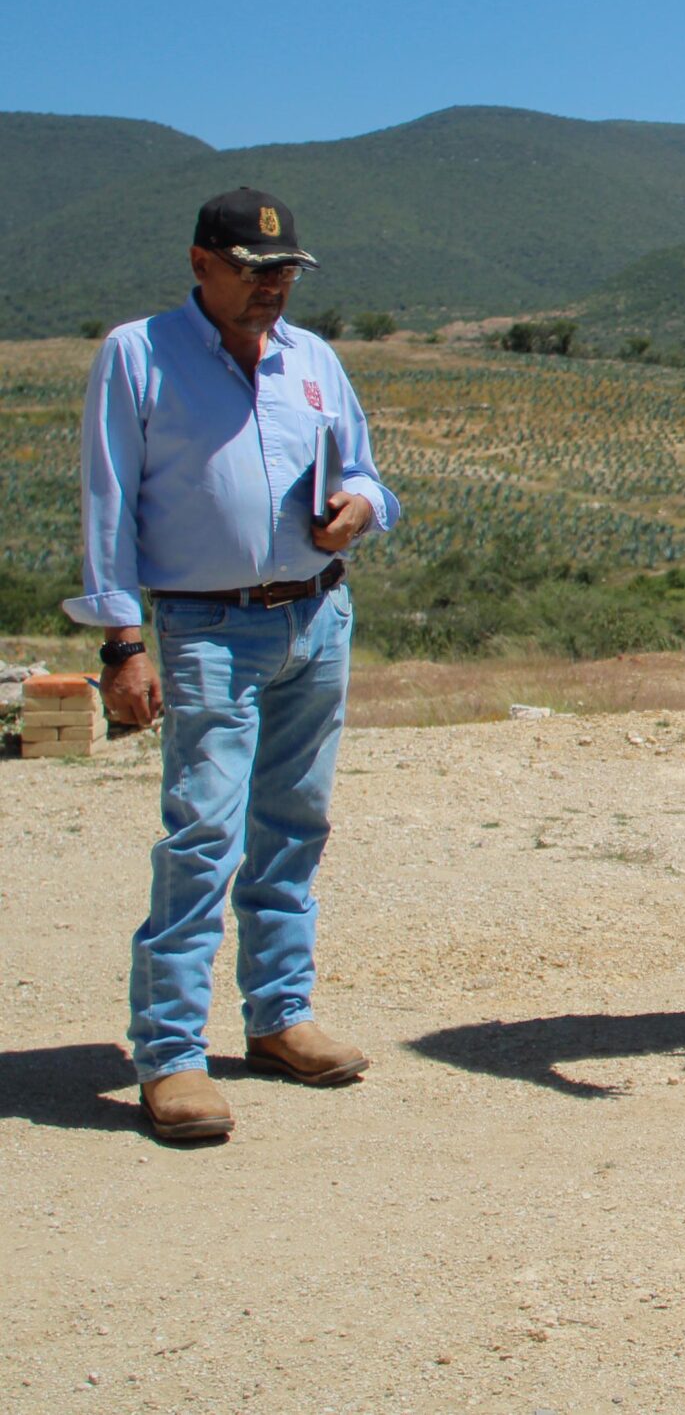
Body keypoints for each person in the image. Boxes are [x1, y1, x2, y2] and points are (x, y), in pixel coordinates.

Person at [66, 188, 400, 1142]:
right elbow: (105, 510)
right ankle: (169, 1053)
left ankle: (278, 1016)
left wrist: (360, 510)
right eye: (255, 272)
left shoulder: (314, 359)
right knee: (204, 835)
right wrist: (122, 643)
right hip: (206, 627)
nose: (272, 289)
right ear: (201, 263)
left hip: (317, 616)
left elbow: (372, 473)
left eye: (286, 272)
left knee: (295, 825)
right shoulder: (139, 356)